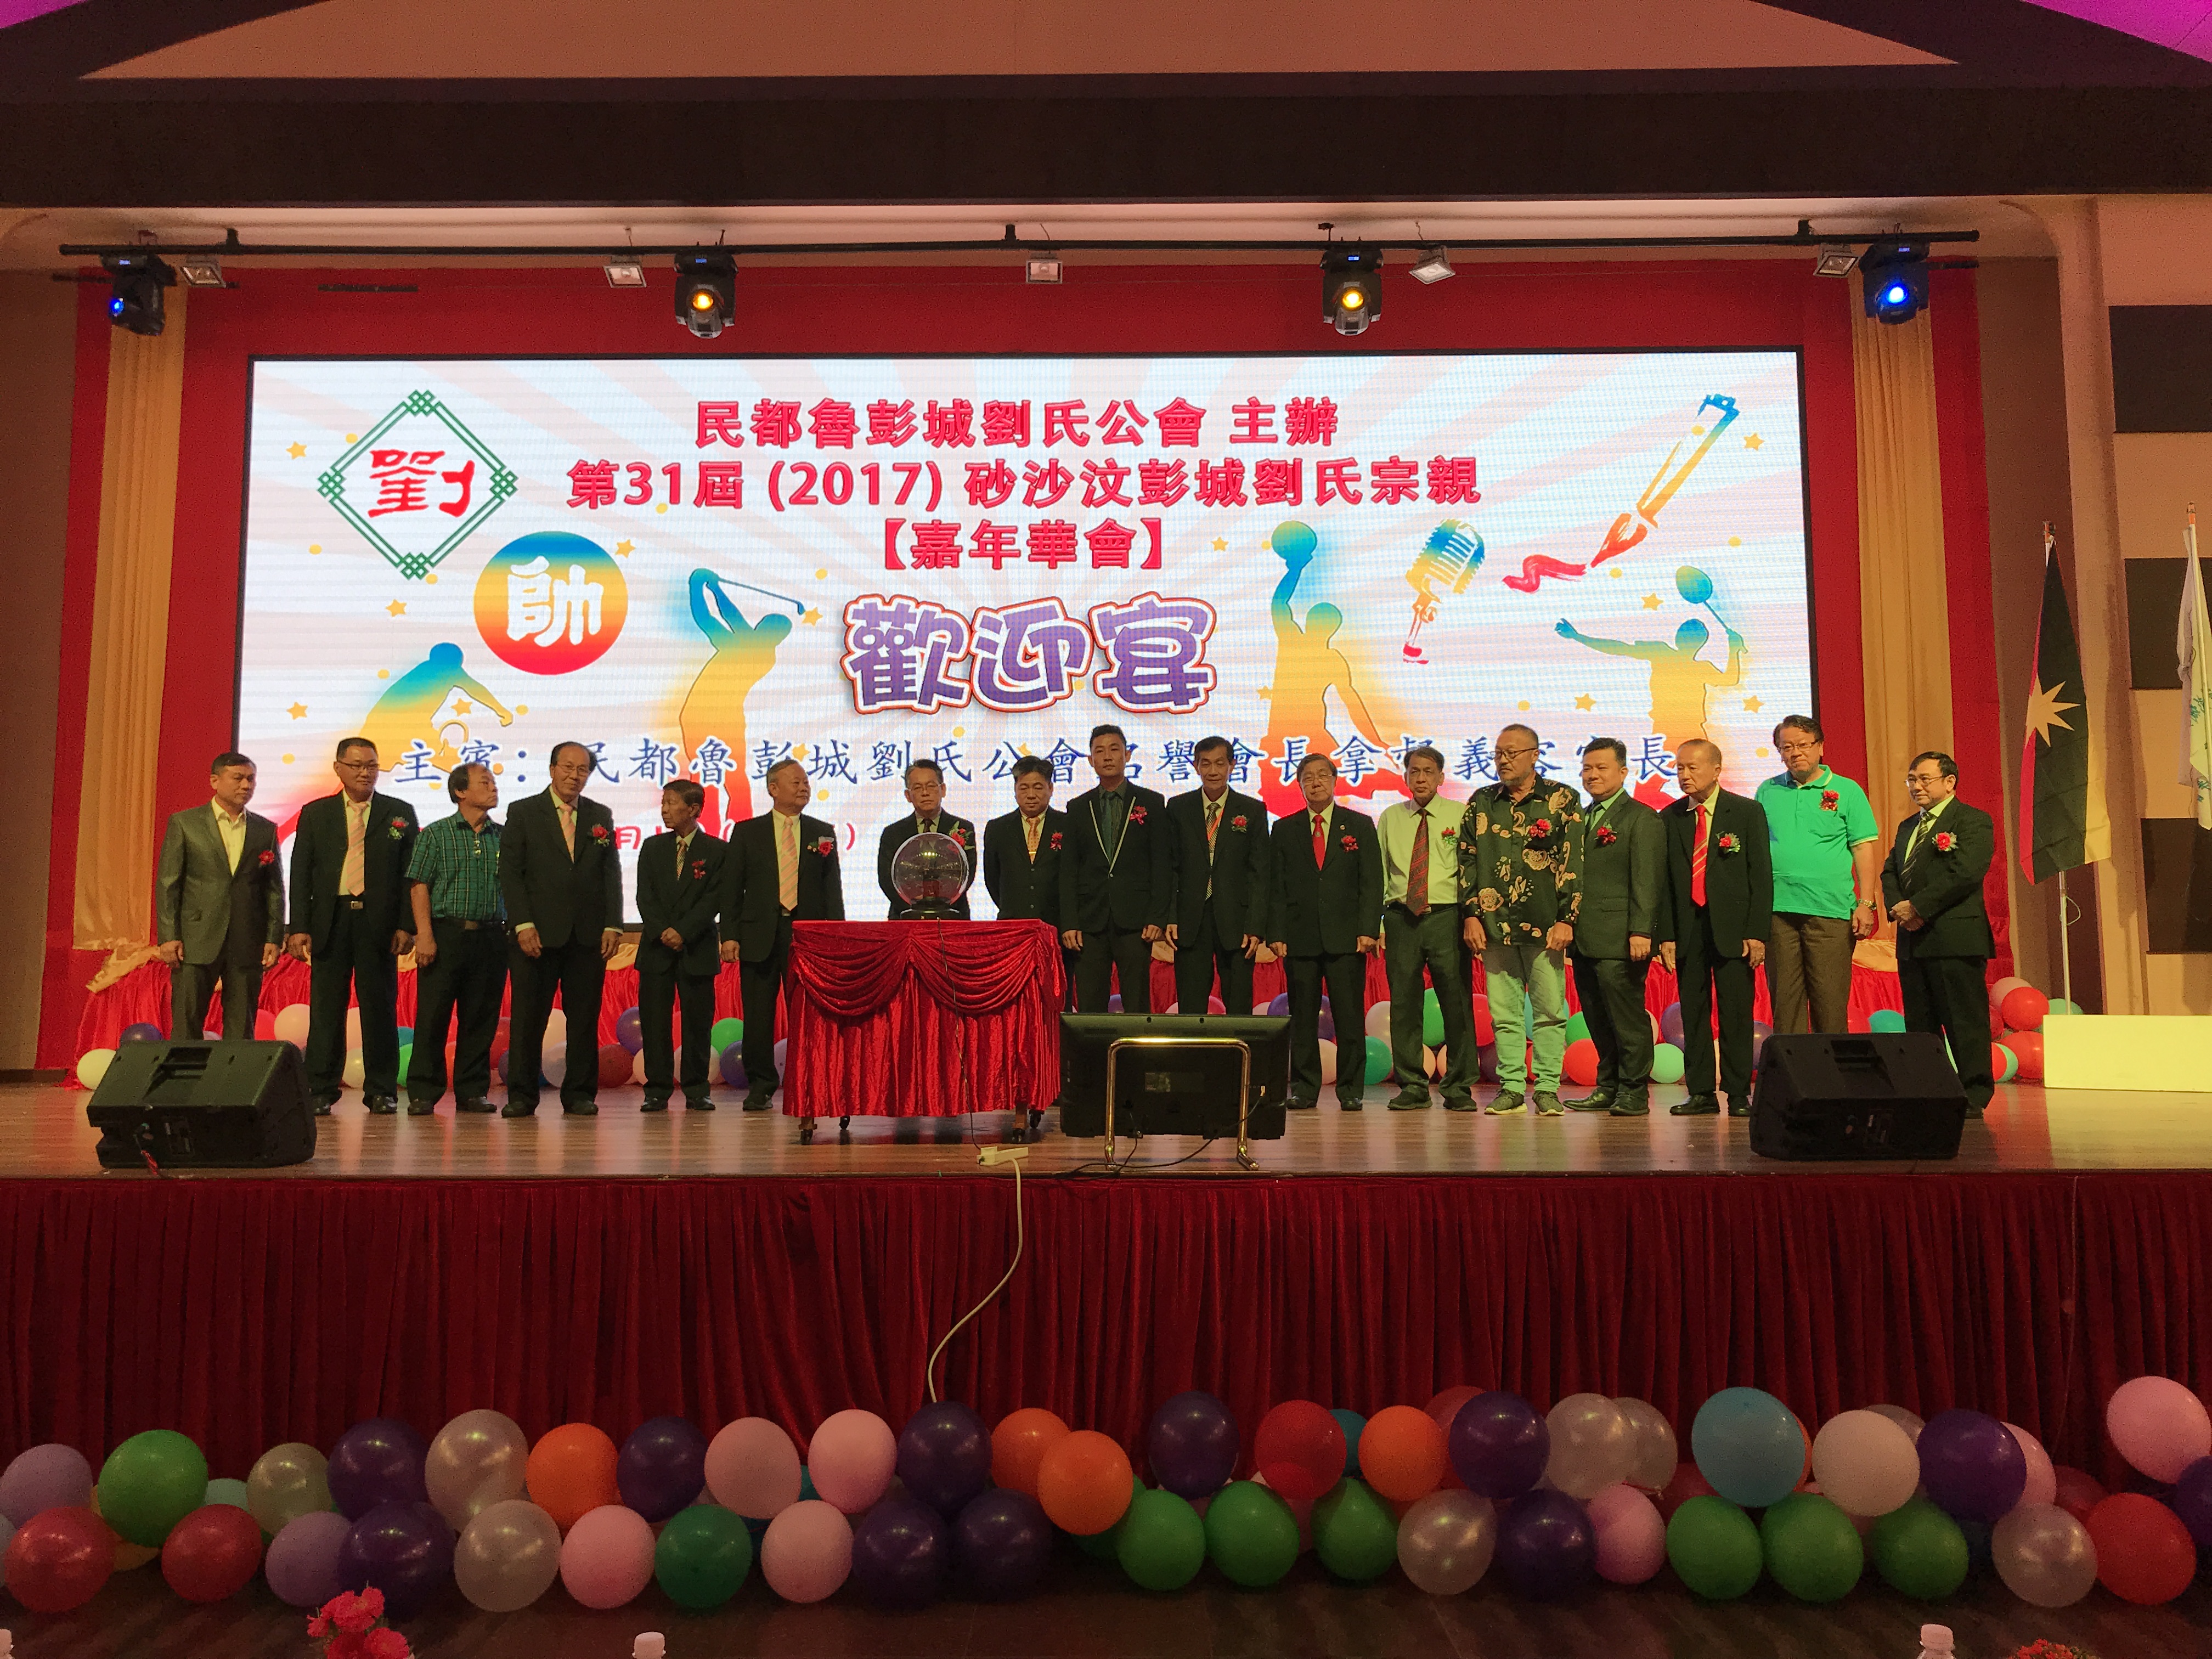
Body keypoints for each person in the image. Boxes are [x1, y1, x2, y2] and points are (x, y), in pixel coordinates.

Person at [286, 737, 419, 1116]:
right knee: (327, 1009)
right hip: (332, 920)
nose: (365, 773)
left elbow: (411, 875)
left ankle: (381, 1090)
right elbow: (301, 872)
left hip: (380, 923)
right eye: (357, 765)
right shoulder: (316, 813)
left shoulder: (398, 812)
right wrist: (299, 926)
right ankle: (320, 1089)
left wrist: (406, 925)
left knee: (380, 1007)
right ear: (338, 768)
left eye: (372, 766)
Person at [1460, 725, 1583, 1116]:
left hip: (1545, 924)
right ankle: (1512, 1088)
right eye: (1498, 753)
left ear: (1535, 755)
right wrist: (1471, 915)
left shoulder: (1562, 799)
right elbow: (1465, 860)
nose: (1503, 760)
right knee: (1505, 1014)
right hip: (1494, 924)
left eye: (1511, 753)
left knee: (1549, 1012)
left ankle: (1547, 1088)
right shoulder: (1482, 801)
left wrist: (1567, 918)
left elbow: (1573, 859)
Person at [499, 741, 623, 1118]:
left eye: (583, 769)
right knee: (528, 1019)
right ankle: (522, 1096)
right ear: (552, 769)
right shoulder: (523, 811)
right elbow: (511, 873)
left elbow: (610, 873)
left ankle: (580, 1094)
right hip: (535, 934)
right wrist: (523, 923)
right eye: (568, 767)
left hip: (587, 936)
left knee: (583, 1020)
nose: (575, 776)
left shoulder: (599, 814)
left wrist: (613, 924)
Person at [720, 757, 844, 1113]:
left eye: (806, 782)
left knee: (807, 1014)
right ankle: (760, 1086)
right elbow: (732, 888)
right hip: (758, 935)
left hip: (806, 938)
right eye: (796, 782)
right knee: (758, 1015)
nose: (804, 787)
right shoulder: (748, 832)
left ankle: (811, 1080)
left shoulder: (822, 832)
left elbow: (832, 890)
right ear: (773, 789)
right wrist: (729, 935)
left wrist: (835, 935)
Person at [1657, 739, 1774, 1117]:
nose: (1684, 775)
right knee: (1693, 1012)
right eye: (1679, 768)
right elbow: (1664, 883)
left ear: (1716, 770)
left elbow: (1761, 875)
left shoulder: (1746, 812)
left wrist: (1757, 932)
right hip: (1688, 929)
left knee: (1736, 1012)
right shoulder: (1670, 816)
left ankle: (1739, 1094)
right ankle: (1701, 1093)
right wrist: (1666, 935)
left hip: (1734, 931)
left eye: (1692, 768)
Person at [1881, 751, 1997, 1118]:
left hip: (1955, 939)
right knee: (1921, 1025)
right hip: (1913, 941)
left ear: (1950, 782)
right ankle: (1929, 1091)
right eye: (1912, 780)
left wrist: (1918, 907)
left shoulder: (1973, 821)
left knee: (1965, 1021)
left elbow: (1966, 872)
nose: (1916, 787)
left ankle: (1974, 1094)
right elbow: (1890, 872)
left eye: (1924, 779)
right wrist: (1899, 907)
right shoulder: (1907, 827)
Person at [1267, 753, 1383, 1111]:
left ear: (1334, 781)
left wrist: (1368, 929)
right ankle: (1304, 1088)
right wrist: (1277, 933)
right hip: (1299, 937)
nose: (1315, 782)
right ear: (1299, 785)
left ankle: (1351, 1089)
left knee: (1349, 1016)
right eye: (1308, 777)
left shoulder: (1359, 825)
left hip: (1347, 938)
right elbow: (1276, 887)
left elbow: (1371, 882)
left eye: (1322, 776)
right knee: (1303, 1018)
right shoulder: (1284, 829)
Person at [1754, 715, 1881, 1035]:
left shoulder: (1847, 790)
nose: (1795, 753)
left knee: (1830, 1004)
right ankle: (1793, 1067)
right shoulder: (1768, 790)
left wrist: (1866, 903)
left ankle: (1831, 1067)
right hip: (1778, 911)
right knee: (1786, 1006)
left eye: (1803, 745)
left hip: (1830, 911)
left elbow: (1863, 849)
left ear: (1820, 747)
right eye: (1786, 747)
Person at [1565, 738, 1665, 1118]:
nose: (1592, 775)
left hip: (1622, 937)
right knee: (1597, 1016)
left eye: (1601, 768)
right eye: (1587, 768)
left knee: (1627, 1017)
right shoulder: (1580, 818)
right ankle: (1607, 1086)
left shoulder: (1641, 818)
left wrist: (1642, 931)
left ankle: (1634, 1091)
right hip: (1583, 937)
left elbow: (1647, 880)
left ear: (1623, 772)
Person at [155, 752, 284, 1046]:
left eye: (251, 779)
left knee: (242, 1026)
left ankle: (236, 1076)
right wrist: (169, 936)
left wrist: (273, 937)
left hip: (247, 938)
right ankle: (185, 1076)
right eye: (238, 778)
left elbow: (274, 888)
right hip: (195, 938)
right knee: (187, 1022)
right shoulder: (185, 823)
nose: (246, 785)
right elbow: (168, 884)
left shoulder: (264, 829)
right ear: (215, 781)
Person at [1377, 744, 1475, 1111]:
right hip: (1401, 918)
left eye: (1428, 772)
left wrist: (1472, 916)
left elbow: (1470, 869)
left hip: (1446, 916)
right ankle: (1413, 1086)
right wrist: (1378, 923)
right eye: (1414, 771)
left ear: (1441, 777)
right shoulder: (1391, 817)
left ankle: (1459, 1087)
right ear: (1405, 776)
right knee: (1404, 1004)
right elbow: (1380, 872)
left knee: (1456, 1001)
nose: (1420, 778)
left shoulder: (1460, 814)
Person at [404, 761, 506, 1114]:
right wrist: (425, 935)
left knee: (480, 1018)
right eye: (484, 783)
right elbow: (419, 886)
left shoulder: (503, 836)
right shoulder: (436, 834)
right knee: (433, 1016)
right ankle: (423, 1092)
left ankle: (472, 1091)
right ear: (460, 791)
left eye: (493, 782)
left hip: (492, 936)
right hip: (446, 933)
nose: (493, 788)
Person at [1059, 725, 1172, 1013]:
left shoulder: (1151, 802)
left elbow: (1162, 864)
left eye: (1114, 749)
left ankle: (1138, 1046)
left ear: (1127, 755)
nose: (1107, 757)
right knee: (1090, 1005)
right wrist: (1070, 922)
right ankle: (1092, 1048)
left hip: (1136, 921)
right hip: (1090, 921)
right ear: (1090, 760)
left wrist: (1157, 916)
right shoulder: (1078, 807)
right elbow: (1069, 870)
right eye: (1099, 751)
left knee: (1137, 1003)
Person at [635, 779, 726, 1113]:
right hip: (656, 948)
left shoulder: (717, 850)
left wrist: (683, 932)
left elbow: (714, 898)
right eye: (663, 802)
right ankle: (657, 1090)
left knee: (697, 1024)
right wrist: (664, 931)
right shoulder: (652, 847)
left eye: (672, 803)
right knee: (655, 1023)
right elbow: (645, 896)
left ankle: (697, 1088)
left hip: (696, 947)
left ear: (694, 809)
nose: (665, 809)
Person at [1165, 736, 1269, 1019]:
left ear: (1232, 765)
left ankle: (1240, 1050)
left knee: (1239, 1005)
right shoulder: (1178, 808)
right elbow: (1170, 867)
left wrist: (1256, 926)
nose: (1213, 771)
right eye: (1206, 764)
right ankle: (1193, 1050)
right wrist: (1170, 916)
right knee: (1191, 1006)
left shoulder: (1252, 810)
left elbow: (1260, 873)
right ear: (1195, 766)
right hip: (1190, 919)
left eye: (1220, 764)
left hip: (1238, 922)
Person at [876, 758, 978, 918]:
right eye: (918, 788)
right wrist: (915, 910)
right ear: (908, 795)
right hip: (905, 918)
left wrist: (942, 906)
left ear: (943, 789)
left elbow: (967, 873)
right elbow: (887, 880)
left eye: (931, 786)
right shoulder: (893, 833)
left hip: (953, 917)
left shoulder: (963, 828)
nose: (925, 793)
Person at [982, 755, 1067, 928]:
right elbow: (992, 879)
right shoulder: (997, 829)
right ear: (1015, 790)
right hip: (1012, 925)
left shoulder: (1067, 825)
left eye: (1038, 788)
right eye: (1024, 788)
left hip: (1057, 925)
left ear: (1051, 788)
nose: (1031, 795)